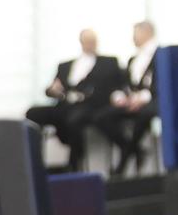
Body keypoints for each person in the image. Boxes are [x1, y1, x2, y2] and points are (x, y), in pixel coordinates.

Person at [26, 29, 122, 172]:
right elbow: (52, 89)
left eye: (92, 40)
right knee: (33, 113)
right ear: (81, 42)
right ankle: (34, 162)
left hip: (88, 106)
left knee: (74, 119)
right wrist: (53, 90)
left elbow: (113, 87)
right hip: (64, 105)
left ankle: (75, 162)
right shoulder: (65, 66)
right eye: (87, 40)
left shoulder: (107, 63)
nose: (90, 44)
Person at [98, 20, 159, 177]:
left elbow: (162, 83)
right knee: (102, 117)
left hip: (151, 101)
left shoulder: (160, 54)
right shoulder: (133, 59)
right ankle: (134, 149)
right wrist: (123, 97)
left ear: (147, 32)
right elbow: (125, 84)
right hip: (131, 101)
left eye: (135, 33)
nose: (133, 38)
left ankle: (124, 160)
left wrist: (142, 98)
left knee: (144, 114)